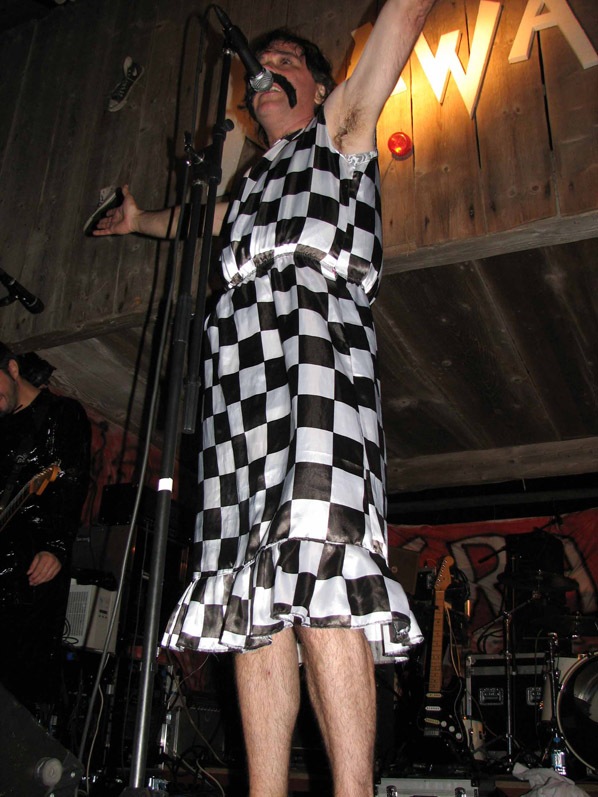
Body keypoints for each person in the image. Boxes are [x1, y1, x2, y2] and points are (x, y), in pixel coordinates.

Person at [94, 2, 435, 794]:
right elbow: (197, 220)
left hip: (317, 375)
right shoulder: (251, 185)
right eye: (260, 65)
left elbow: (405, 17)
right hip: (237, 394)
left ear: (319, 86)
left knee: (321, 566)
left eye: (286, 61)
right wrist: (141, 219)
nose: (266, 72)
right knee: (248, 591)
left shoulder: (341, 131)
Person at [0, 343, 91, 724]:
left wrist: (55, 546)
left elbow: (72, 482)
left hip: (31, 568)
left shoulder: (59, 414)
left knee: (18, 690)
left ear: (12, 369)